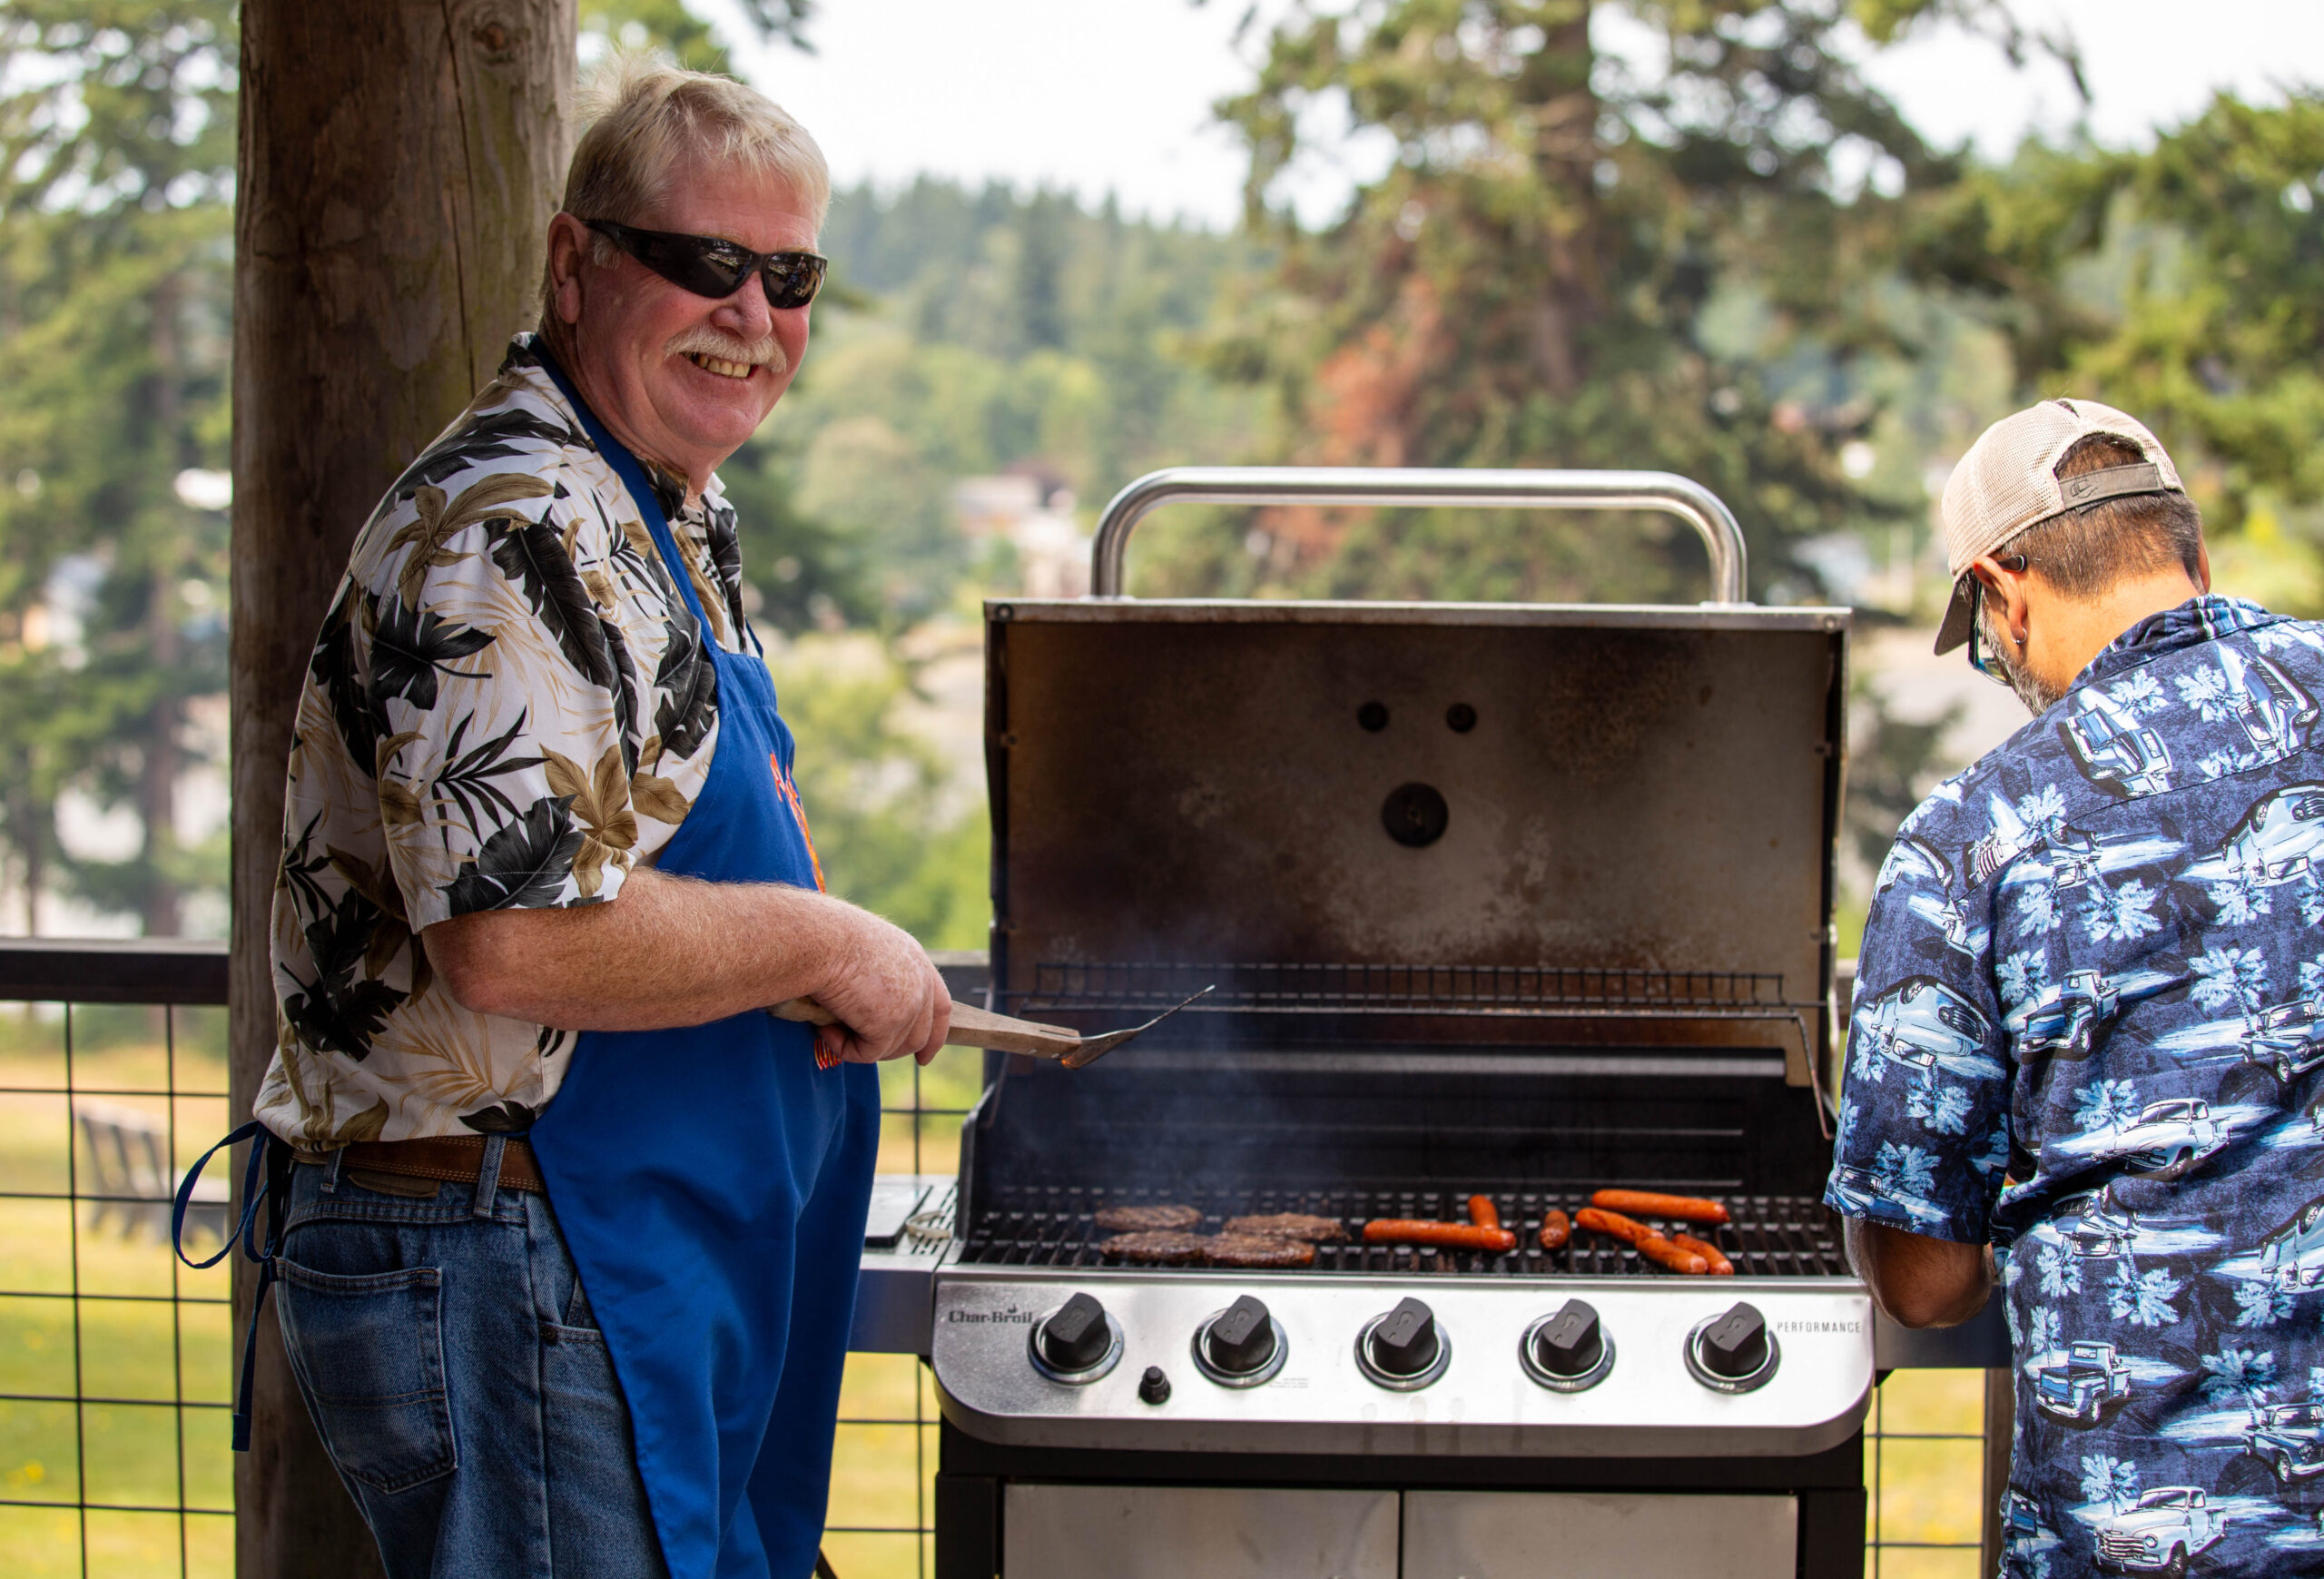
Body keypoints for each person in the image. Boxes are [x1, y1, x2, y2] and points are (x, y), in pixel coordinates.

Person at [249, 54, 949, 1579]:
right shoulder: (518, 529)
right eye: (702, 264)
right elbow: (511, 939)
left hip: (607, 1248)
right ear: (576, 264)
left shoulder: (653, 504)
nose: (751, 318)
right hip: (509, 1250)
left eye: (788, 274)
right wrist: (820, 938)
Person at [1827, 397, 2324, 1576]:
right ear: (2191, 554)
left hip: (2144, 1529)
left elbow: (1925, 1278)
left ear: (2004, 589)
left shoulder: (1971, 839)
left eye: (1991, 640)